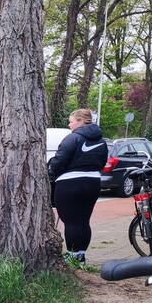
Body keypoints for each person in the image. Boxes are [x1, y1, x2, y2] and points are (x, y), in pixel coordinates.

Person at [48, 108, 107, 265]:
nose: (69, 124)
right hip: (93, 182)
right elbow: (102, 162)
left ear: (81, 121)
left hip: (70, 183)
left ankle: (73, 256)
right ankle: (81, 255)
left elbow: (59, 161)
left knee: (71, 221)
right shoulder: (101, 141)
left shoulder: (72, 138)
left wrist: (51, 172)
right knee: (83, 221)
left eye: (71, 121)